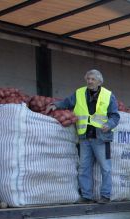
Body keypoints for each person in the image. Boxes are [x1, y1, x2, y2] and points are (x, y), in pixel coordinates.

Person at [47, 69, 120, 204]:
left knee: (106, 168)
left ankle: (105, 195)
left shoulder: (108, 95)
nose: (90, 81)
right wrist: (55, 105)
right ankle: (86, 195)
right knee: (83, 168)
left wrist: (109, 125)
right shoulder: (80, 93)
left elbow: (115, 115)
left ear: (99, 81)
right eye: (88, 79)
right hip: (85, 137)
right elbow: (67, 103)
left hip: (101, 137)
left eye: (92, 79)